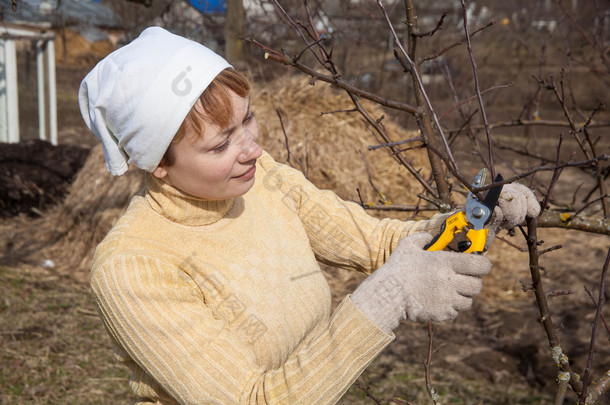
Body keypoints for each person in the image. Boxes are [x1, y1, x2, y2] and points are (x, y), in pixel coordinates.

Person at [79, 26, 540, 405]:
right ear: (157, 163)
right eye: (221, 144)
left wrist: (467, 222)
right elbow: (254, 400)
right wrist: (389, 296)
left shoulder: (262, 178)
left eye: (248, 119)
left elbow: (376, 243)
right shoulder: (133, 267)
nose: (252, 148)